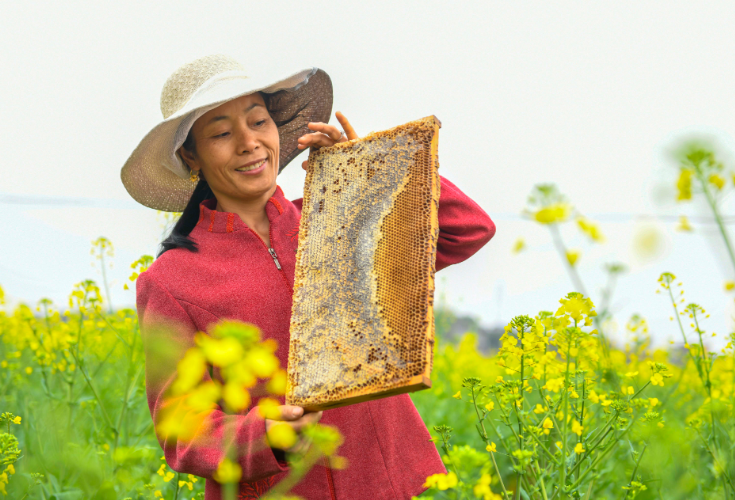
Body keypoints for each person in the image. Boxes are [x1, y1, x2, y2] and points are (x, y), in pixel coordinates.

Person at [121, 54, 496, 500]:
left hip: (393, 483)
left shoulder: (341, 218)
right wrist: (265, 434)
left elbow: (467, 229)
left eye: (258, 122)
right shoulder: (171, 281)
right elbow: (182, 428)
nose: (249, 142)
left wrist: (374, 169)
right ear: (190, 156)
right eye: (221, 133)